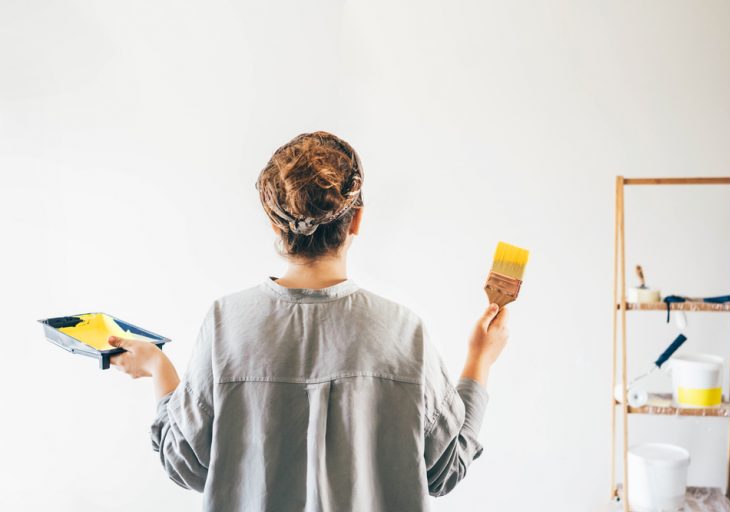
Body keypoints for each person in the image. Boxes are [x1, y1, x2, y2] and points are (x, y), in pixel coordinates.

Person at [109, 131, 510, 511]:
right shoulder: (405, 333)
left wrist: (157, 366)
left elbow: (188, 465)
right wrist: (481, 359)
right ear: (356, 220)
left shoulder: (225, 324)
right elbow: (445, 471)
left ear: (274, 224)